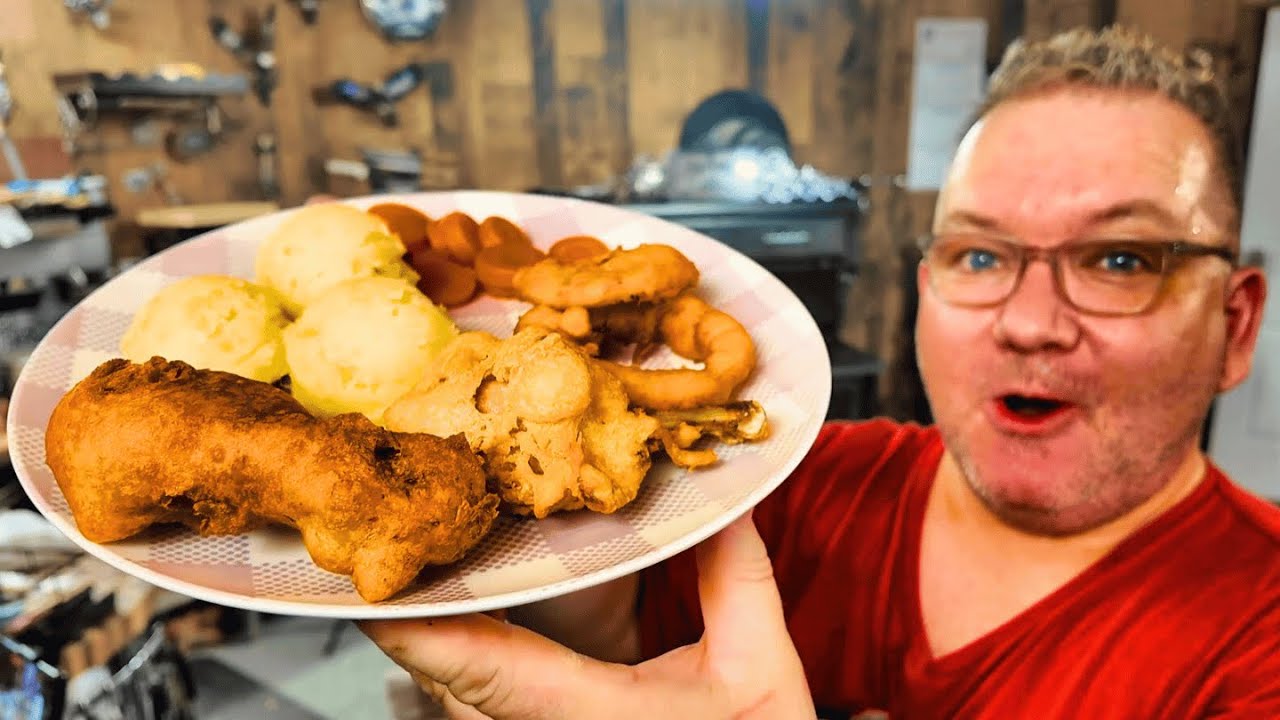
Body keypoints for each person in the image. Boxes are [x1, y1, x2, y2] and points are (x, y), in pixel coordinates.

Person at [358, 25, 1280, 719]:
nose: (1031, 324)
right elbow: (621, 621)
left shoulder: (1258, 641)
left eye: (1120, 260)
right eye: (981, 257)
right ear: (926, 286)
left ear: (1236, 325)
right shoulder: (804, 481)